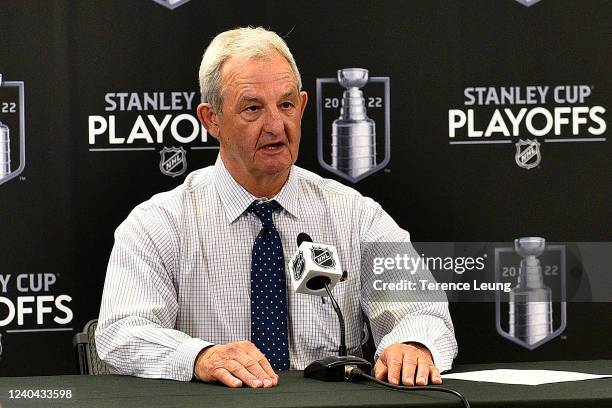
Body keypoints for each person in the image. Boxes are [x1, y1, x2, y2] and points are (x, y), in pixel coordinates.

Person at [96, 26, 457, 389]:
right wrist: (201, 356)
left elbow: (423, 310)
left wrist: (412, 345)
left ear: (301, 106)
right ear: (211, 119)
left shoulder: (356, 216)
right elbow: (122, 332)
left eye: (285, 105)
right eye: (252, 108)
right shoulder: (157, 224)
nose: (275, 125)